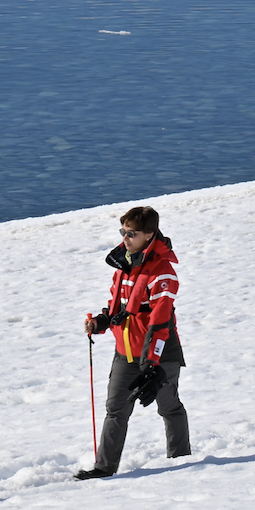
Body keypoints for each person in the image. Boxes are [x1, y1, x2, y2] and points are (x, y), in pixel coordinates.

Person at [77, 204, 190, 480]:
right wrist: (101, 323)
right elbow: (119, 308)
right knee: (115, 409)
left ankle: (181, 463)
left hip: (160, 354)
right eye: (123, 231)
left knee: (168, 406)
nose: (124, 238)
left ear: (149, 235)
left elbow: (159, 323)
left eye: (131, 233)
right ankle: (104, 468)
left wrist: (152, 364)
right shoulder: (124, 265)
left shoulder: (162, 272)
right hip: (125, 352)